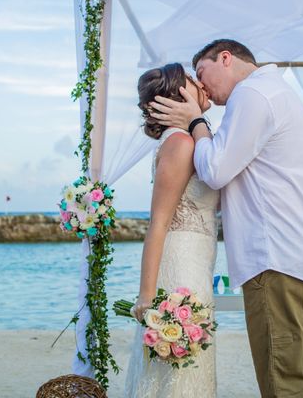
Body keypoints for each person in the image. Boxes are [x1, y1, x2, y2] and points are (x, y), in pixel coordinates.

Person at [150, 39, 303, 398]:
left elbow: (215, 170)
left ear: (225, 58)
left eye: (203, 73)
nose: (202, 86)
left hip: (275, 258)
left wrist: (195, 122)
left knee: (284, 382)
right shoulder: (279, 92)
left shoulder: (250, 95)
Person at [125, 63, 220, 398]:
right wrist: (147, 294)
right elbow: (159, 222)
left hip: (196, 261)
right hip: (181, 268)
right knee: (178, 373)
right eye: (193, 80)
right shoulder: (180, 142)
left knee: (184, 371)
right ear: (180, 94)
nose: (201, 84)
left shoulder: (192, 137)